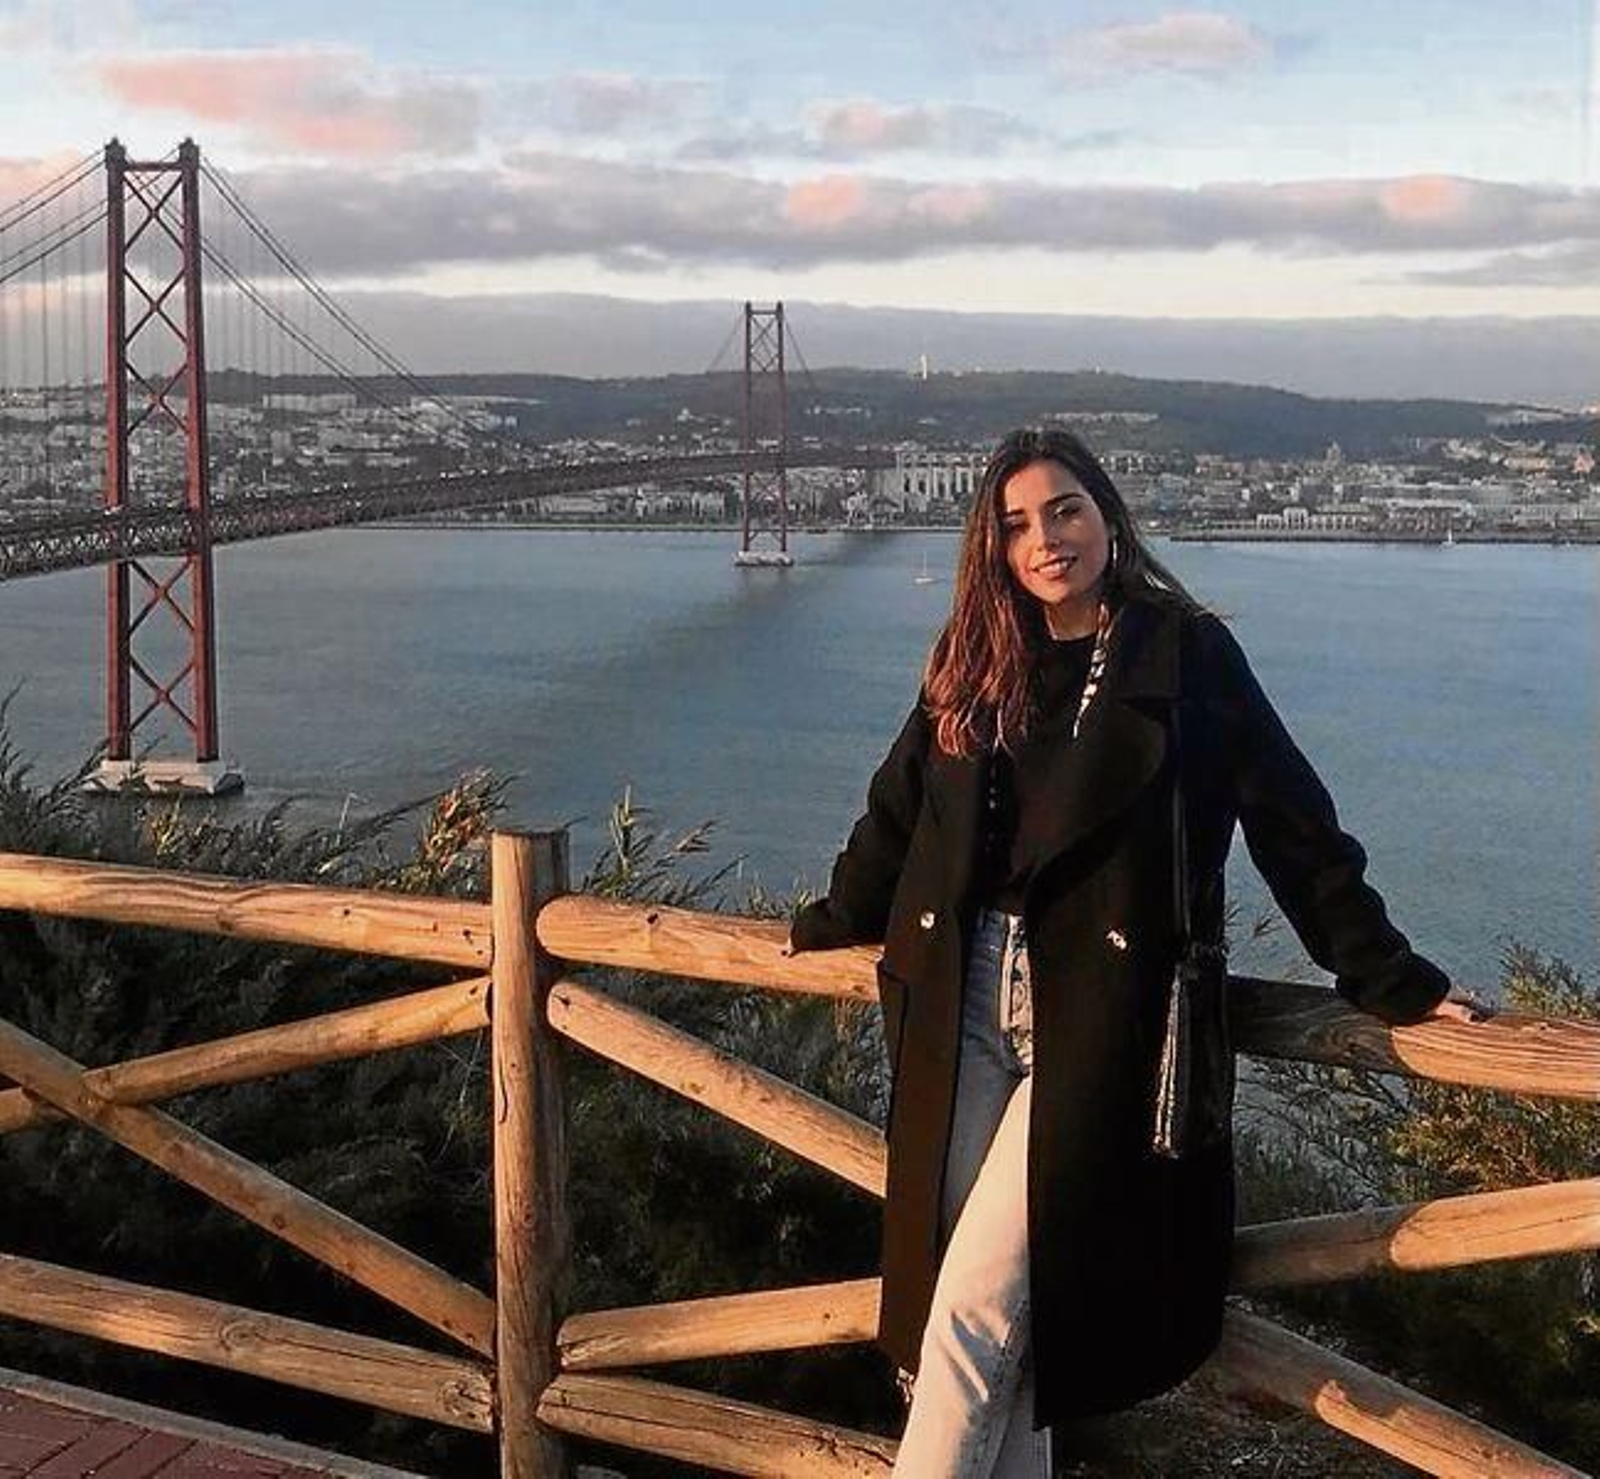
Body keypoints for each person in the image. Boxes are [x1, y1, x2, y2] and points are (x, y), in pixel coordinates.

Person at [786, 427, 1489, 1477]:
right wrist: (830, 919)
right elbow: (898, 811)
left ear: (1107, 518)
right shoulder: (978, 659)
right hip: (966, 989)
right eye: (1016, 523)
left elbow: (1291, 825)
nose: (1045, 539)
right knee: (993, 1327)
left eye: (1064, 510)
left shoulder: (1185, 654)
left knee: (974, 1314)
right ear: (994, 548)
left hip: (1104, 1013)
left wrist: (1391, 979)